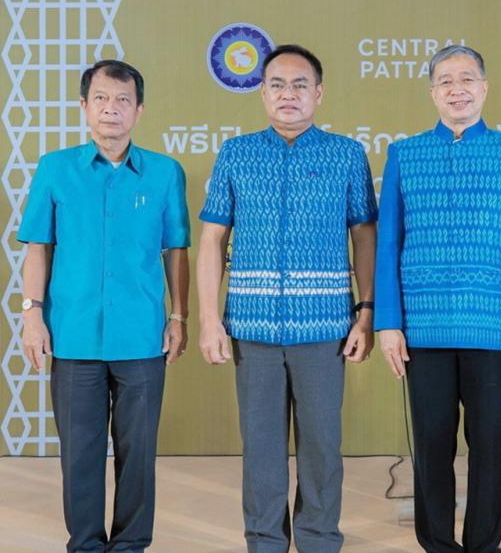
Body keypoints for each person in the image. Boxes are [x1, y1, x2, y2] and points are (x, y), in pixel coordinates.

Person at [196, 44, 378, 552]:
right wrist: (211, 320)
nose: (288, 94)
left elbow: (365, 234)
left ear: (318, 93)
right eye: (277, 84)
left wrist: (366, 312)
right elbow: (212, 238)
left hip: (325, 330)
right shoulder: (236, 153)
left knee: (322, 448)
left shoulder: (345, 153)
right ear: (262, 92)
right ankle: (265, 542)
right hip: (251, 330)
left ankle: (320, 541)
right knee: (261, 451)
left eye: (300, 85)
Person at [374, 44, 501, 553]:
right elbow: (388, 245)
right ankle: (437, 544)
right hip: (422, 327)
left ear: (485, 88)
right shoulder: (405, 154)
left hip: (492, 326)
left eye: (467, 78)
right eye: (446, 80)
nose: (457, 89)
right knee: (430, 444)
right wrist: (389, 321)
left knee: (489, 444)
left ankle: (482, 545)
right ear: (432, 92)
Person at [18, 59, 190, 552]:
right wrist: (32, 316)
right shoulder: (55, 169)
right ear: (83, 107)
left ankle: (132, 543)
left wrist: (179, 315)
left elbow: (175, 251)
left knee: (138, 454)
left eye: (121, 100)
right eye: (100, 99)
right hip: (73, 335)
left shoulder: (164, 173)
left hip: (141, 337)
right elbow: (38, 249)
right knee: (80, 452)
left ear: (139, 110)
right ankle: (87, 544)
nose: (110, 109)